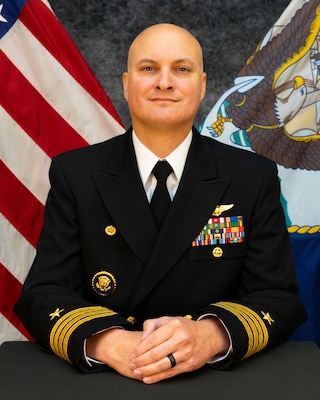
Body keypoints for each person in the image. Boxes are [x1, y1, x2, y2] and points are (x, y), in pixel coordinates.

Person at [15, 23, 306, 384]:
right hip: (109, 379)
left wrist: (209, 335)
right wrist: (110, 342)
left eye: (181, 69)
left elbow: (278, 296)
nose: (164, 82)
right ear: (126, 83)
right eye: (149, 68)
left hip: (215, 379)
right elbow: (43, 292)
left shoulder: (251, 176)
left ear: (201, 85)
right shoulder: (75, 174)